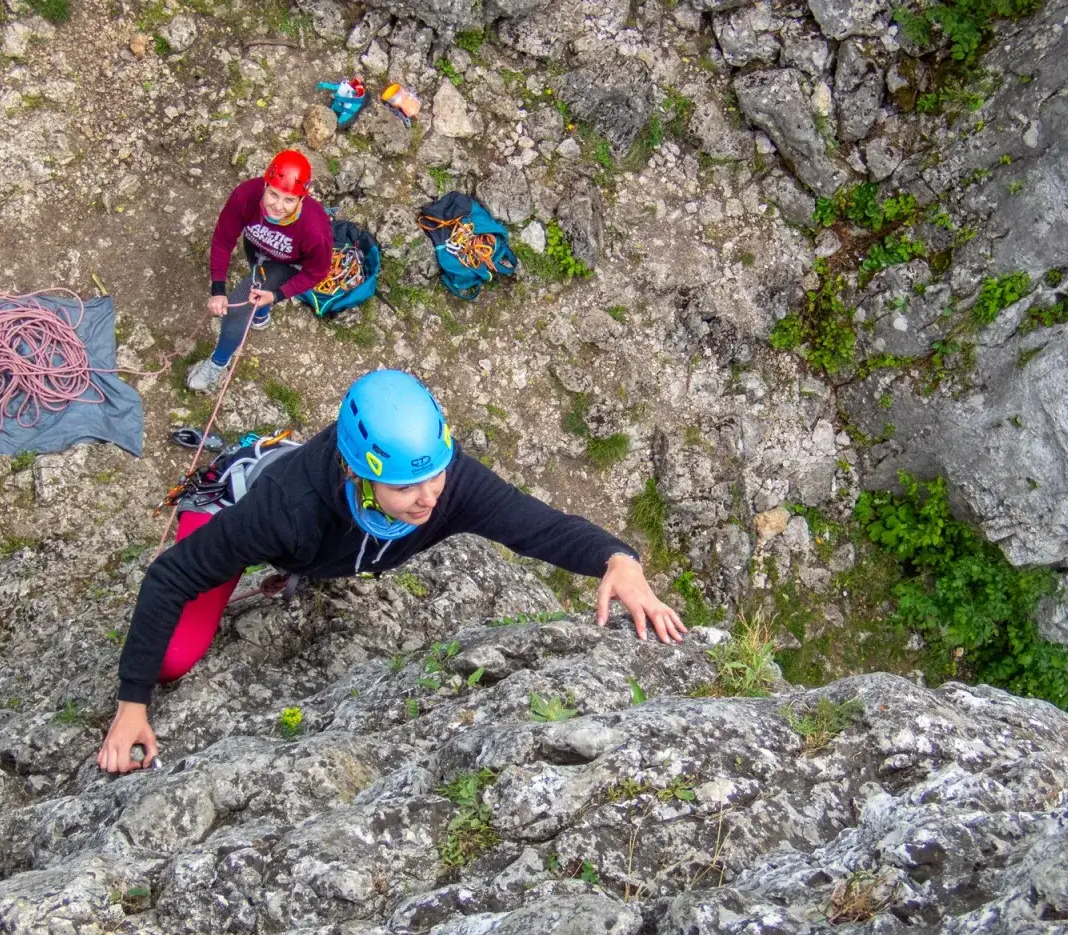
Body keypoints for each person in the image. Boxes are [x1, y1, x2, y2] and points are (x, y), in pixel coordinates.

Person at [97, 370, 687, 773]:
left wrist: (618, 559)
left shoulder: (447, 484)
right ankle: (243, 464)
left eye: (434, 475)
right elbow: (170, 577)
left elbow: (538, 527)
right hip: (242, 506)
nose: (429, 497)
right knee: (173, 659)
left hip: (318, 531)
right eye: (405, 486)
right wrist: (132, 706)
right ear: (360, 473)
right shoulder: (286, 511)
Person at [185, 150, 334, 392]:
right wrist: (218, 289)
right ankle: (261, 315)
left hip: (289, 265)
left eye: (289, 200)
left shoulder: (314, 229)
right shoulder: (246, 196)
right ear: (265, 185)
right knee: (256, 288)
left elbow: (316, 272)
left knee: (236, 310)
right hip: (257, 248)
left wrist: (277, 294)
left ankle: (218, 363)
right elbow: (223, 240)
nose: (278, 206)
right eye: (273, 194)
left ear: (301, 199)